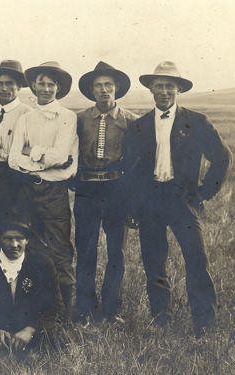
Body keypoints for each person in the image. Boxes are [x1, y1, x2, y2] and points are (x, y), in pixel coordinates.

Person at [124, 61, 232, 337]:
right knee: (154, 263)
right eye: (158, 85)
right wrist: (133, 206)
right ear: (150, 88)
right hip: (150, 201)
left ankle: (205, 326)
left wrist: (203, 193)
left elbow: (222, 156)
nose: (163, 91)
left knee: (196, 258)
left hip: (182, 199)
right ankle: (161, 321)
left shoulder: (196, 121)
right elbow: (131, 171)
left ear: (179, 89)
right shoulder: (139, 126)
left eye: (169, 86)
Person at [8, 61, 79, 327]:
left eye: (51, 84)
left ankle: (64, 320)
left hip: (54, 192)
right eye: (41, 83)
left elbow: (61, 156)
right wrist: (41, 158)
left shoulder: (67, 117)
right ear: (34, 85)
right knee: (30, 249)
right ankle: (34, 314)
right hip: (28, 190)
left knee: (60, 253)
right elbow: (14, 159)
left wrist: (32, 152)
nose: (45, 88)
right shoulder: (25, 119)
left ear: (58, 88)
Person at [74, 62, 139, 324]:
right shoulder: (78, 119)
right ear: (91, 90)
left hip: (116, 191)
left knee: (117, 253)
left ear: (117, 89)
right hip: (87, 190)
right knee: (86, 250)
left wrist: (131, 200)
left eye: (108, 85)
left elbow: (137, 164)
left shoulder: (132, 122)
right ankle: (85, 311)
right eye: (98, 85)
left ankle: (112, 311)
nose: (104, 90)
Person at [0, 215, 64, 351]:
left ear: (27, 240)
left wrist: (30, 330)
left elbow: (56, 308)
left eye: (19, 238)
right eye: (8, 238)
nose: (14, 245)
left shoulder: (42, 264)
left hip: (30, 333)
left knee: (57, 341)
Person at [0, 60, 31, 250]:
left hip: (18, 177)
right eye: (0, 83)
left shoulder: (27, 114)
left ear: (19, 86)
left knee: (17, 225)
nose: (4, 88)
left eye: (9, 84)